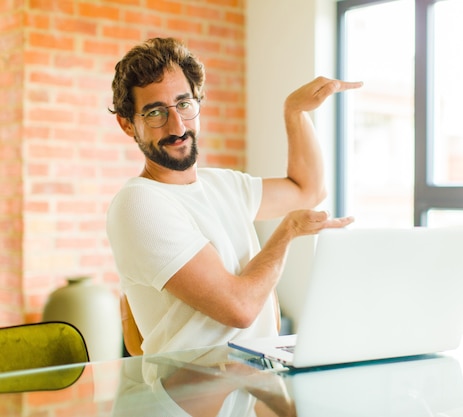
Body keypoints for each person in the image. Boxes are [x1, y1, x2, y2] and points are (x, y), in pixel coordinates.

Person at [106, 37, 362, 355]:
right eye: (156, 113)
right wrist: (287, 233)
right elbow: (239, 308)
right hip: (190, 396)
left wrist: (294, 112)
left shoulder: (222, 185)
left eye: (184, 105)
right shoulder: (140, 203)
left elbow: (307, 190)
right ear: (128, 124)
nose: (177, 126)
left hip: (251, 382)